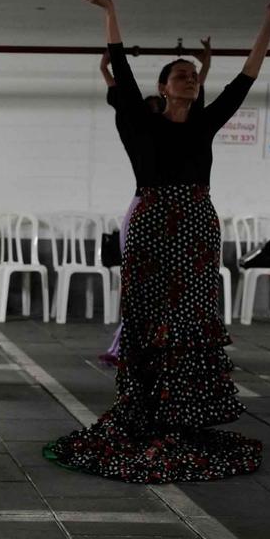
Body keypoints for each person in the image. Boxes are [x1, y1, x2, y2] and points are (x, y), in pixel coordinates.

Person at [45, 0, 270, 483]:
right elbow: (120, 63)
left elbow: (248, 75)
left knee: (191, 315)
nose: (188, 81)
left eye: (192, 76)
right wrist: (109, 9)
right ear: (162, 87)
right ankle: (148, 407)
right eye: (179, 75)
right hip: (154, 225)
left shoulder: (204, 123)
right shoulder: (140, 121)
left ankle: (186, 410)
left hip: (199, 226)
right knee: (149, 313)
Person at [99, 38, 212, 366]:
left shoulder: (189, 120)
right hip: (149, 206)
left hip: (182, 208)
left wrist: (205, 65)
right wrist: (105, 67)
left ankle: (172, 345)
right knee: (144, 287)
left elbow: (198, 94)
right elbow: (120, 90)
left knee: (179, 284)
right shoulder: (139, 121)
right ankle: (128, 345)